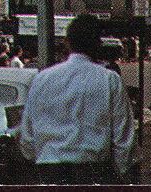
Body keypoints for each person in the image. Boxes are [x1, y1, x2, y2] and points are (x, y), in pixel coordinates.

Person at [19, 12, 137, 184]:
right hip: (94, 171)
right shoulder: (109, 80)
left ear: (67, 43)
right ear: (98, 44)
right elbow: (123, 139)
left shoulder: (42, 79)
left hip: (49, 171)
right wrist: (125, 174)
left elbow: (27, 136)